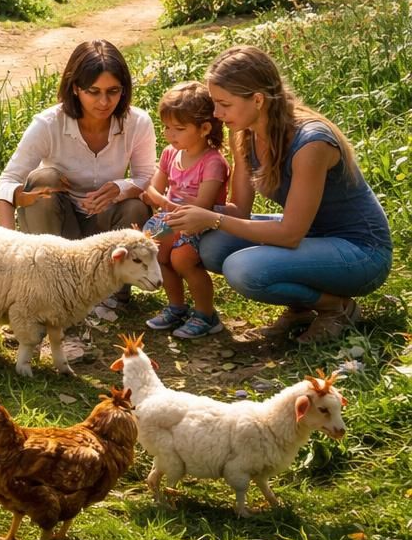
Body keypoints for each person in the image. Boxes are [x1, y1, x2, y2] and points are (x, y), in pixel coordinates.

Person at [163, 46, 391, 344]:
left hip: (361, 251)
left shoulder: (311, 143)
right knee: (209, 245)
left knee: (241, 269)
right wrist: (186, 212)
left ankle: (337, 308)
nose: (217, 114)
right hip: (311, 238)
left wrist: (212, 218)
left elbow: (289, 234)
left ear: (257, 99)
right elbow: (240, 211)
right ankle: (301, 306)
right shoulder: (244, 133)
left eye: (224, 104)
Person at [0, 40, 156, 308]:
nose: (104, 102)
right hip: (59, 227)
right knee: (42, 180)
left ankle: (113, 292)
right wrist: (5, 247)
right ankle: (48, 284)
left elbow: (148, 179)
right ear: (75, 88)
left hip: (104, 228)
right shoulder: (48, 124)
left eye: (113, 91)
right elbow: (7, 182)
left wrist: (121, 187)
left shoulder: (137, 122)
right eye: (94, 92)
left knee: (136, 205)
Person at [141, 82, 230, 339]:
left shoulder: (212, 162)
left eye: (179, 129)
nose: (170, 135)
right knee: (159, 254)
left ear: (204, 128)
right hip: (170, 218)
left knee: (182, 259)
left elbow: (202, 205)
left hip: (198, 222)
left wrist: (166, 204)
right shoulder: (170, 153)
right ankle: (176, 307)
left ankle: (206, 314)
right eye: (167, 127)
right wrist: (166, 204)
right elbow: (152, 190)